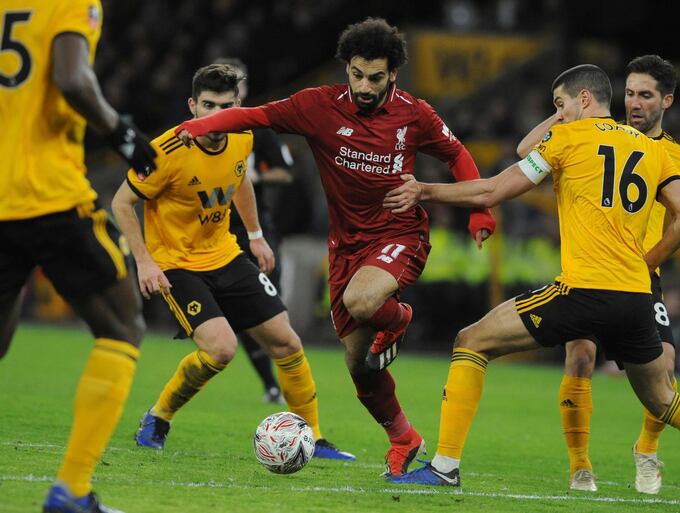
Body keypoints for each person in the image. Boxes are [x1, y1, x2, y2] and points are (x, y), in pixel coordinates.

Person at [382, 64, 680, 509]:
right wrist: (651, 261)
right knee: (663, 399)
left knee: (471, 341)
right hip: (637, 296)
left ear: (582, 100)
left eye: (560, 105)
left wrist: (425, 190)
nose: (557, 115)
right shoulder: (654, 150)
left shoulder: (567, 140)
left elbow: (492, 191)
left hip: (582, 291)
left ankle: (444, 467)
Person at [174, 18, 496, 476]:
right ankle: (403, 438)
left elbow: (457, 155)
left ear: (394, 75)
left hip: (399, 235)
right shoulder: (317, 106)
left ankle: (399, 317)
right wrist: (200, 124)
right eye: (357, 74)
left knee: (363, 301)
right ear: (346, 68)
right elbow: (256, 115)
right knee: (361, 366)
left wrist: (480, 210)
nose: (365, 86)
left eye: (376, 77)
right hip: (346, 248)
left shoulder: (415, 113)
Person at [515, 55, 680, 494]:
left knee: (667, 367)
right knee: (579, 355)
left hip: (640, 275)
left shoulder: (674, 155)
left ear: (668, 101)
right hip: (589, 269)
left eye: (645, 95)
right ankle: (580, 466)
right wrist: (564, 109)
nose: (634, 103)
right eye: (629, 93)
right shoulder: (591, 132)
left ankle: (646, 451)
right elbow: (527, 152)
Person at [111, 64, 353, 461]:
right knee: (221, 350)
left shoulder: (242, 135)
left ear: (237, 105)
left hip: (225, 253)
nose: (216, 115)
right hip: (177, 263)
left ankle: (313, 437)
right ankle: (158, 417)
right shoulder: (164, 152)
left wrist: (255, 236)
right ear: (192, 105)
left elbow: (240, 179)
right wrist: (145, 262)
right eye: (208, 105)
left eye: (226, 106)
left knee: (287, 341)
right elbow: (122, 201)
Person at [0, 1, 156, 511]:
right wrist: (119, 130)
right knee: (123, 326)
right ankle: (72, 490)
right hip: (48, 196)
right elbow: (72, 79)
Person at [215, 57, 293, 405]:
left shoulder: (256, 129)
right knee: (239, 314)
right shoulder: (198, 127)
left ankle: (282, 383)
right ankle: (273, 385)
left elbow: (285, 172)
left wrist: (253, 176)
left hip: (255, 228)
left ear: (243, 90)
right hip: (213, 232)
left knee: (269, 308)